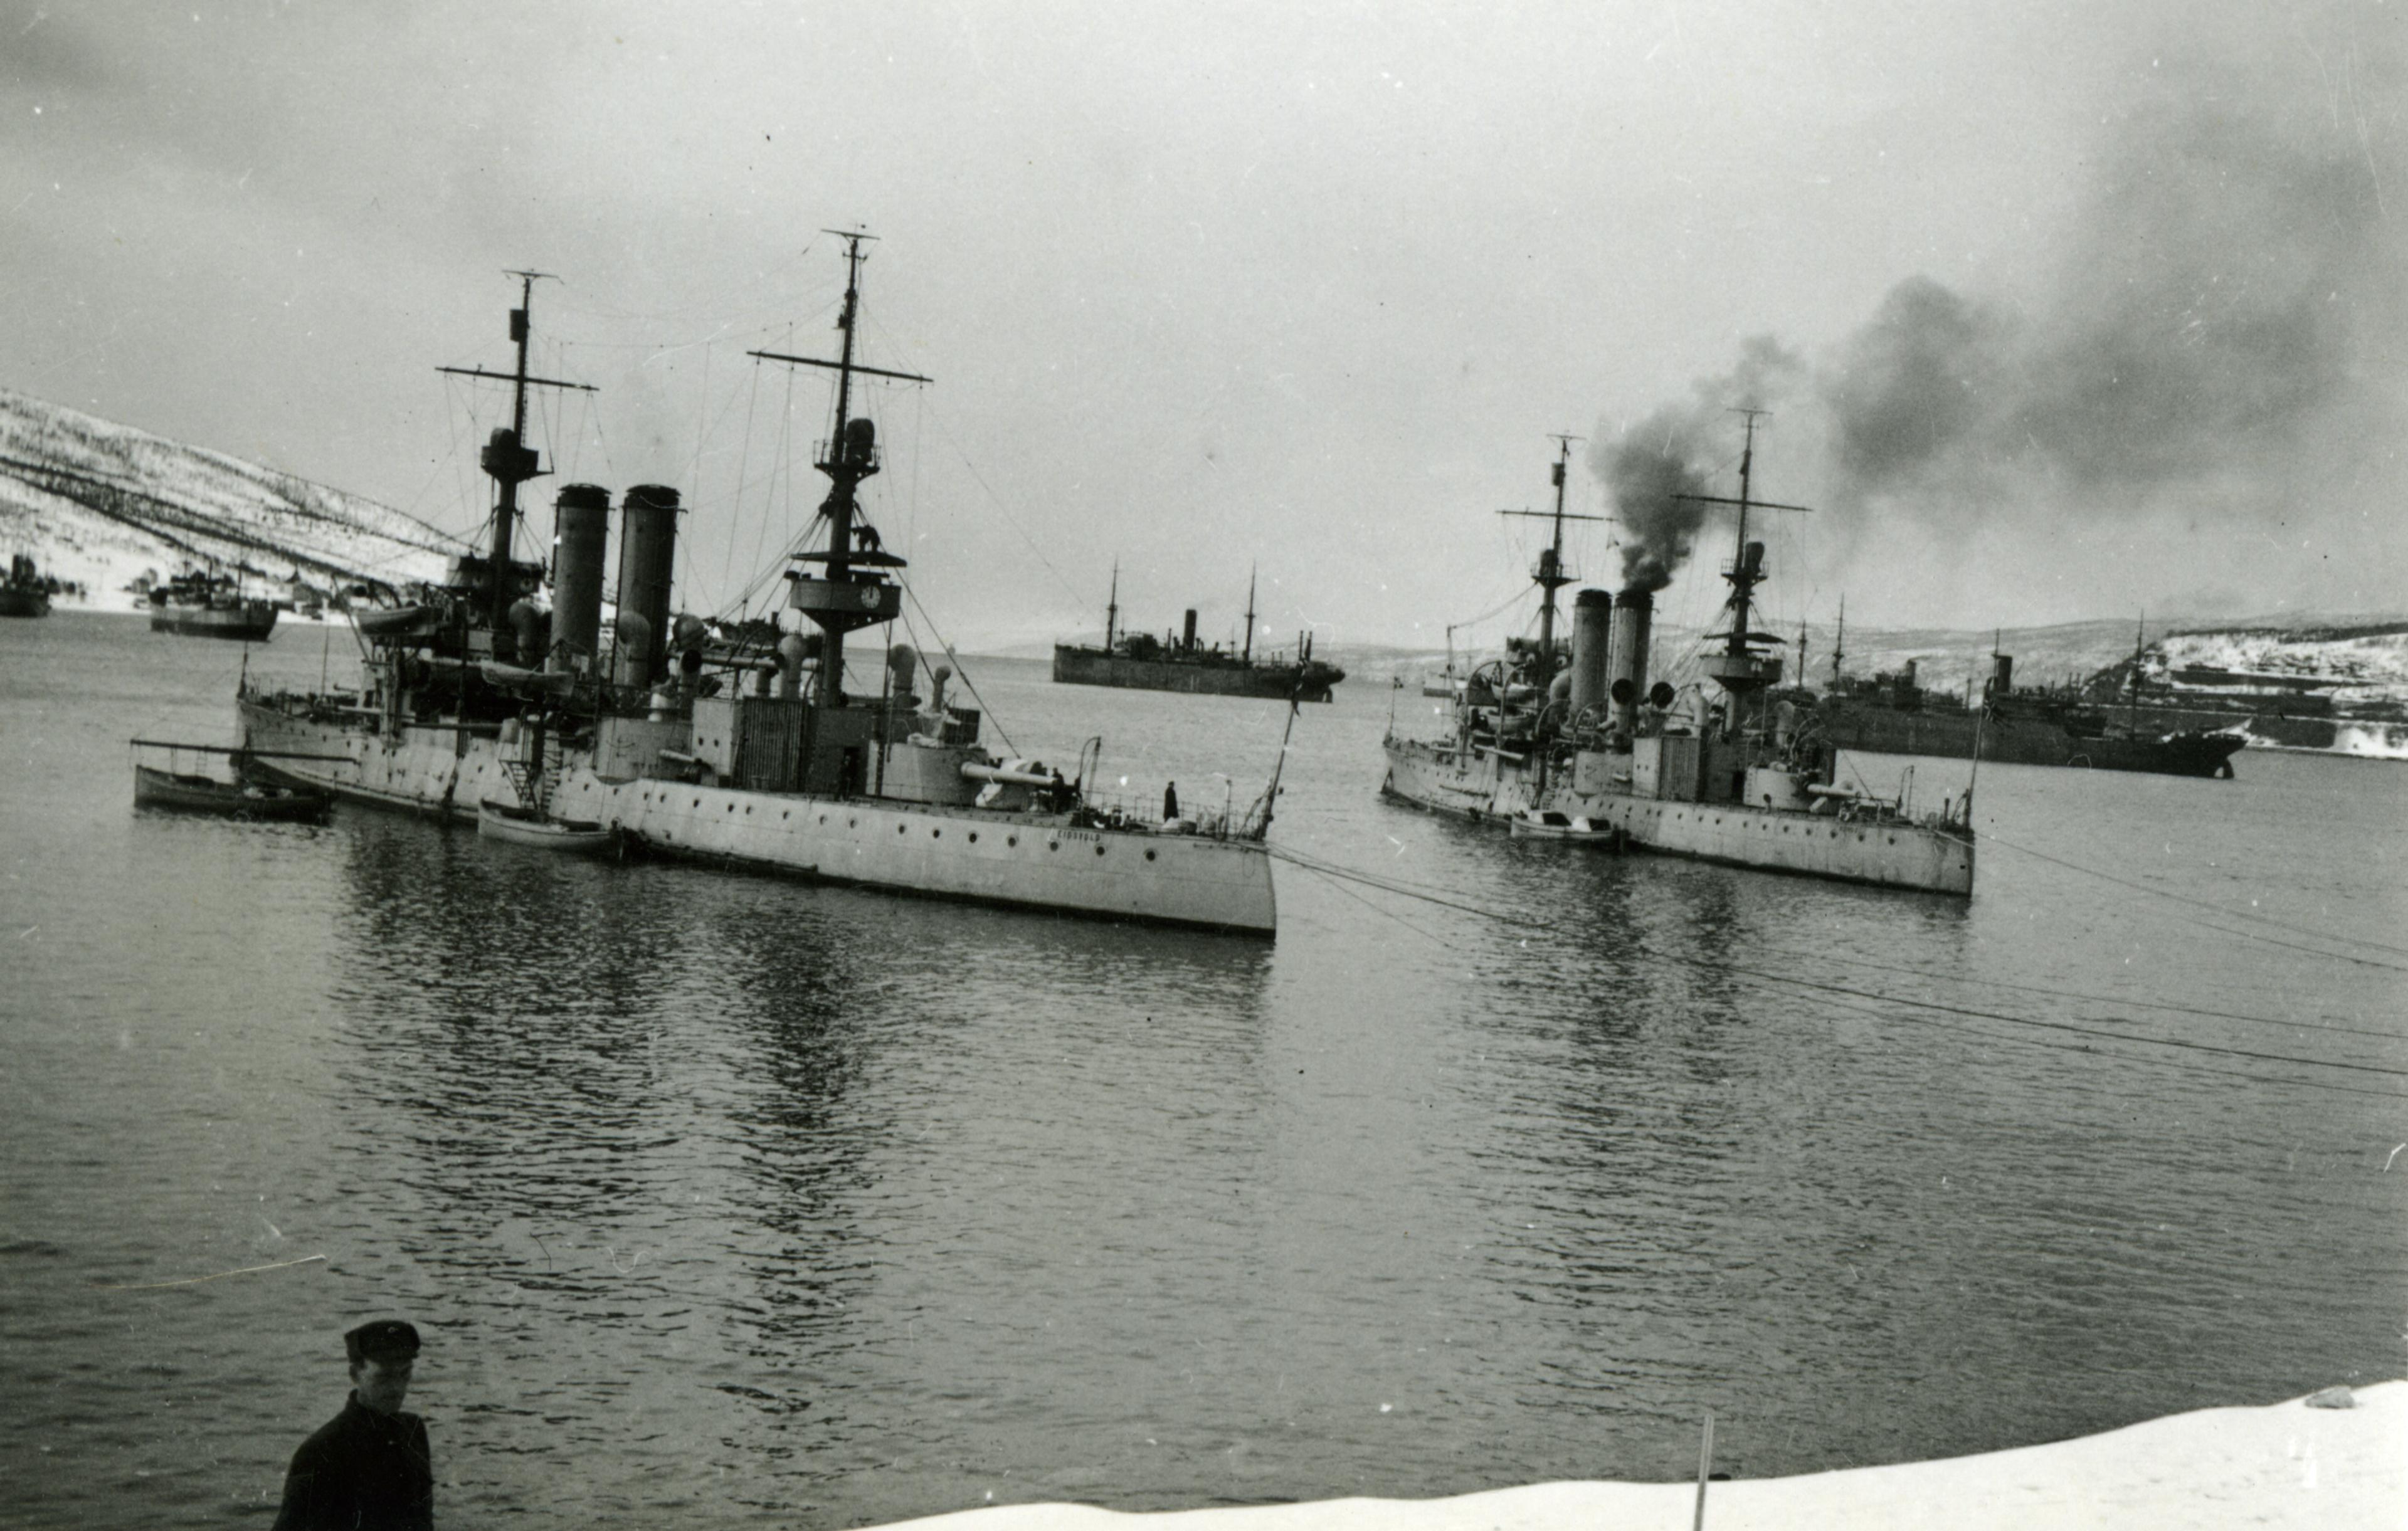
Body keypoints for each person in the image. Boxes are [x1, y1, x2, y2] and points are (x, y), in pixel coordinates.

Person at [273, 1319, 433, 1531]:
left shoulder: (413, 1431)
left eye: (405, 1374)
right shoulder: (322, 1451)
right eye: (383, 1377)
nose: (396, 1388)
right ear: (355, 1374)